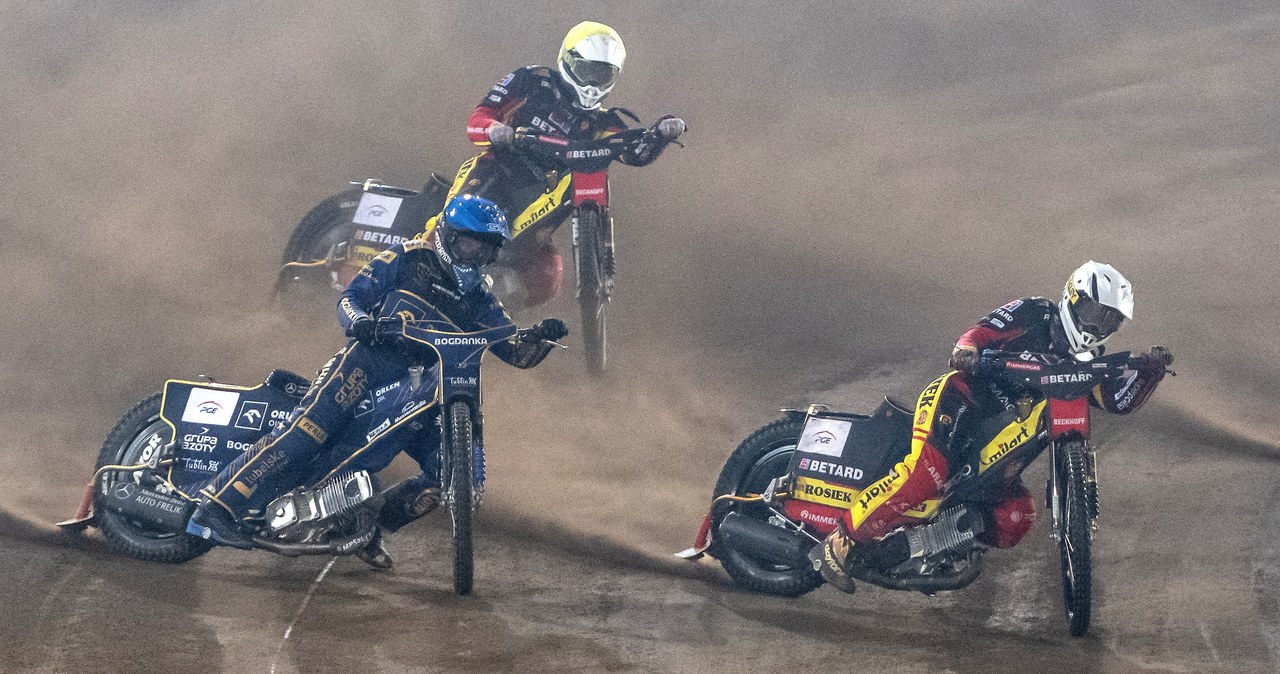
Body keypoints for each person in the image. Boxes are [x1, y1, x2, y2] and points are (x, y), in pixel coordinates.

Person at [187, 195, 568, 564]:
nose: (475, 256)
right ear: (448, 236)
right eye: (468, 245)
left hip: (422, 389)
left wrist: (541, 338)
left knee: (444, 475)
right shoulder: (406, 258)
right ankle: (214, 508)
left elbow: (515, 352)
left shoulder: (482, 298)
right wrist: (361, 323)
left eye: (486, 251)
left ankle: (369, 529)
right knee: (305, 434)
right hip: (363, 366)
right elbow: (351, 298)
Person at [809, 261, 1174, 592]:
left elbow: (1115, 401)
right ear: (1072, 298)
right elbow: (979, 334)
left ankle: (909, 548)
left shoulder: (1088, 360)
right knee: (926, 474)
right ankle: (839, 542)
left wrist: (1150, 373)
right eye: (1094, 313)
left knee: (1016, 515)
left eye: (1110, 321)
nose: (1097, 326)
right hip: (960, 400)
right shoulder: (1034, 311)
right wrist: (967, 350)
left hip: (998, 441)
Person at [427, 20, 686, 307]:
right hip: (497, 170)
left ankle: (492, 312)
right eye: (586, 71)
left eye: (602, 75)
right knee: (446, 227)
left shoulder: (604, 121)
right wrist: (494, 130)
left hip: (545, 192)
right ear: (568, 60)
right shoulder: (532, 81)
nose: (591, 83)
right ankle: (407, 274)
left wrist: (661, 134)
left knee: (547, 278)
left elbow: (633, 153)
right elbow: (479, 117)